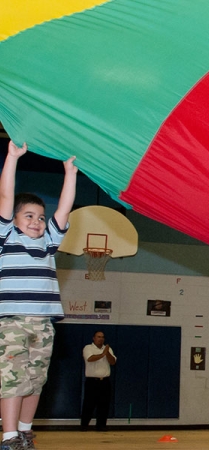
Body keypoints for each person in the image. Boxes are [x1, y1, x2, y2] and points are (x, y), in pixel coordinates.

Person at [0, 140, 77, 450]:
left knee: (36, 381)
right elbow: (6, 196)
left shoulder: (48, 242)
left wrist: (69, 173)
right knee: (12, 379)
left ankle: (25, 431)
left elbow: (64, 207)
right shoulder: (5, 238)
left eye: (40, 217)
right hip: (12, 322)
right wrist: (12, 157)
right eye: (28, 216)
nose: (36, 221)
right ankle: (8, 438)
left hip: (43, 323)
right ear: (15, 220)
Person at [80, 331, 117, 431]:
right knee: (89, 404)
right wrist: (102, 354)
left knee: (104, 404)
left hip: (105, 381)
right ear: (94, 338)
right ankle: (84, 425)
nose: (101, 339)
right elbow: (90, 358)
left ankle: (101, 426)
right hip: (92, 381)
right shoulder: (88, 348)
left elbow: (113, 362)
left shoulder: (108, 349)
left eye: (102, 337)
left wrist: (107, 353)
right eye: (98, 337)